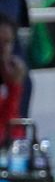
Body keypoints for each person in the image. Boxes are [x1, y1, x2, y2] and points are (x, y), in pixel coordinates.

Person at [0, 13, 26, 143]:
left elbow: (14, 130)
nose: (3, 49)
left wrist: (14, 86)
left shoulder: (13, 73)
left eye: (7, 42)